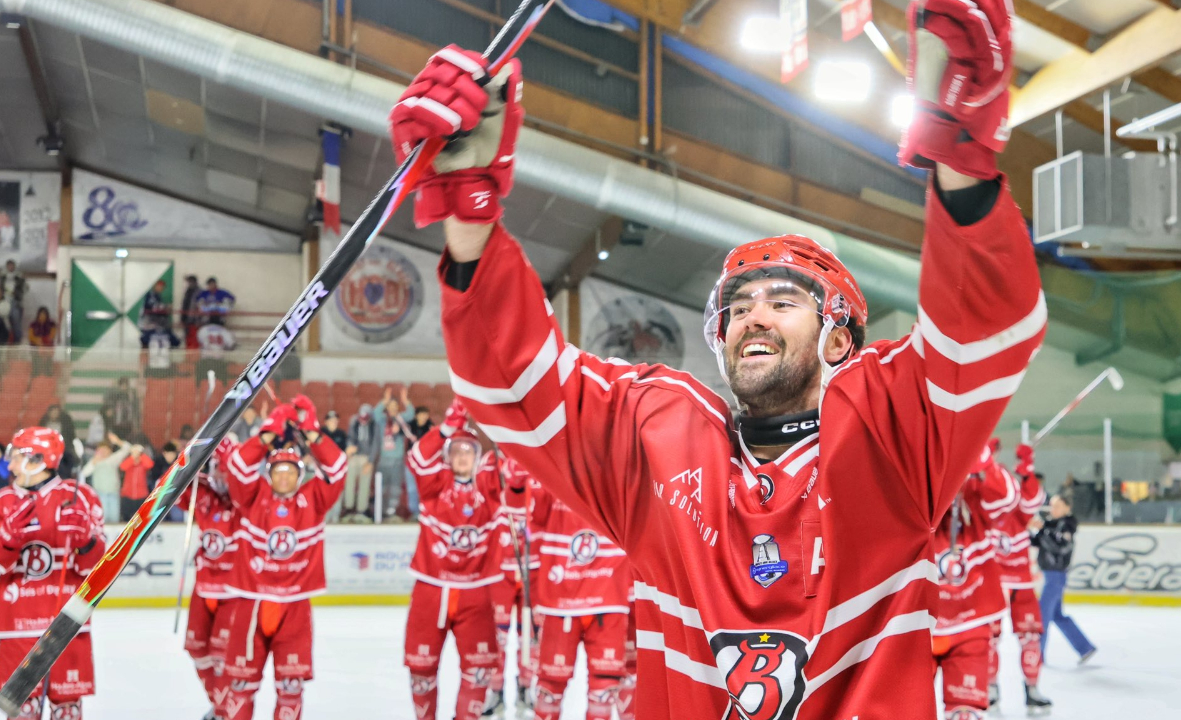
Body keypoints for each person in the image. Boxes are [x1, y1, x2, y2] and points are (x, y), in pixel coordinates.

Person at [394, 0, 1041, 714]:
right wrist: (468, 207)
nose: (753, 315)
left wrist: (961, 153)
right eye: (739, 306)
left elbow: (981, 329)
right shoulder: (659, 442)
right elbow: (516, 381)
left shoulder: (888, 438)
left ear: (838, 338)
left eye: (783, 301)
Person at [220, 395, 345, 720]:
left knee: (291, 689)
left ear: (300, 475)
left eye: (291, 471)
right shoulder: (253, 495)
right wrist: (266, 435)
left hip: (295, 606)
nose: (284, 477)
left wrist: (313, 434)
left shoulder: (314, 499)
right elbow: (238, 466)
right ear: (269, 473)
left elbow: (337, 468)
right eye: (278, 471)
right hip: (252, 602)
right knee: (240, 686)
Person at [0, 427, 106, 720]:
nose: (9, 464)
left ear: (37, 458)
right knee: (22, 712)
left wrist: (85, 541)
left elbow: (97, 568)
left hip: (67, 624)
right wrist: (8, 541)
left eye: (16, 456)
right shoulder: (2, 500)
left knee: (68, 711)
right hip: (17, 626)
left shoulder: (81, 497)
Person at [403, 399, 502, 720]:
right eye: (456, 450)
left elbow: (515, 471)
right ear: (448, 456)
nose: (462, 456)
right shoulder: (435, 485)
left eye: (468, 451)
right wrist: (445, 429)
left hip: (477, 592)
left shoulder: (488, 486)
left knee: (479, 671)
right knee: (421, 671)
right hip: (431, 589)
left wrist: (506, 422)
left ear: (477, 457)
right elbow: (417, 459)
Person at [529, 479, 631, 720]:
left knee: (604, 687)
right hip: (561, 600)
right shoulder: (553, 472)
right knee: (550, 686)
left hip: (608, 599)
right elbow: (532, 518)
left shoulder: (620, 475)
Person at [931, 445, 1011, 720]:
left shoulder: (973, 494)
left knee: (965, 714)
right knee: (901, 708)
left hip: (971, 622)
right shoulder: (909, 492)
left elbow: (1006, 498)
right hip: (915, 625)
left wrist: (982, 458)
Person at [177, 438, 240, 720]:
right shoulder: (202, 494)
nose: (220, 476)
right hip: (204, 589)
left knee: (226, 659)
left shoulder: (249, 498)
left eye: (227, 469)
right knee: (198, 652)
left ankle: (226, 711)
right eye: (217, 468)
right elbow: (169, 489)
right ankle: (221, 707)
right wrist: (193, 456)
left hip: (235, 593)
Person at [987, 443, 1051, 713]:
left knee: (1030, 638)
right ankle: (990, 689)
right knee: (987, 639)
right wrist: (987, 461)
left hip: (1021, 583)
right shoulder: (983, 509)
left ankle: (1032, 689)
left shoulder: (1019, 511)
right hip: (993, 582)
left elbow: (1033, 499)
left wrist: (1027, 472)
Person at [488, 455, 540, 717]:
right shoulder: (492, 464)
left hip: (533, 570)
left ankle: (525, 687)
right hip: (501, 571)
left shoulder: (540, 462)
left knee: (529, 636)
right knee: (496, 636)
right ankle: (494, 690)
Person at [1032, 494, 1096, 665]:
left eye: (1058, 506)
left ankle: (1038, 655)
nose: (1054, 509)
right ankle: (1085, 647)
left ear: (1068, 508)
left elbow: (1058, 547)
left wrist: (1043, 528)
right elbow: (1036, 541)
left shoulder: (1067, 525)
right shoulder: (1050, 525)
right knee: (1056, 615)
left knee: (1042, 614)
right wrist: (1033, 528)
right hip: (1051, 574)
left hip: (1056, 575)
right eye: (1052, 506)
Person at [375, 387, 416, 521]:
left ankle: (391, 513)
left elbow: (411, 413)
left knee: (395, 488)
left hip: (397, 460)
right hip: (384, 460)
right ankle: (380, 512)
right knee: (382, 488)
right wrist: (384, 400)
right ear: (387, 407)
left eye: (395, 406)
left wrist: (405, 400)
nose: (393, 408)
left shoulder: (401, 418)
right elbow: (375, 413)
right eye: (390, 406)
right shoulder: (382, 420)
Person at [344, 403, 380, 523]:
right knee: (349, 482)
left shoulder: (374, 425)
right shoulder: (354, 422)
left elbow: (375, 444)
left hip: (366, 457)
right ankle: (349, 508)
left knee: (365, 483)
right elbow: (349, 437)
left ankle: (361, 510)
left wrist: (370, 462)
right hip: (354, 456)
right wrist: (349, 448)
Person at [81, 433, 128, 523]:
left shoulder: (113, 459)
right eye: (101, 449)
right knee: (102, 521)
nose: (103, 451)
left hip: (113, 494)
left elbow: (127, 448)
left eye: (106, 449)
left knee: (114, 521)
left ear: (110, 450)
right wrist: (94, 461)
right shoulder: (94, 461)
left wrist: (117, 441)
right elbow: (84, 473)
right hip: (100, 495)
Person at [118, 442, 155, 522]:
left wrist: (141, 455)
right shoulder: (129, 462)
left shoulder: (143, 463)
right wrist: (132, 458)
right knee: (126, 518)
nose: (136, 454)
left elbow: (150, 464)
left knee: (141, 519)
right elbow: (122, 467)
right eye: (134, 452)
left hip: (141, 495)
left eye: (137, 452)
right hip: (127, 495)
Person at [0, 259, 26, 342]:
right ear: (6, 266)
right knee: (2, 321)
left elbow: (25, 288)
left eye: (12, 265)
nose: (11, 267)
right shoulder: (1, 275)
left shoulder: (19, 276)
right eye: (9, 265)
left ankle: (17, 340)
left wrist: (18, 293)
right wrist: (0, 294)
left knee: (16, 322)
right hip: (3, 301)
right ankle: (2, 339)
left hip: (15, 302)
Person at [139, 279, 171, 348]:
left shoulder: (158, 296)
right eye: (160, 286)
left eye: (162, 287)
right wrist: (165, 307)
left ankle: (149, 357)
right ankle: (144, 358)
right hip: (147, 322)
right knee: (146, 341)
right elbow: (152, 306)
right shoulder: (150, 295)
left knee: (152, 343)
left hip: (154, 323)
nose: (161, 288)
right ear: (155, 286)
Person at [182, 274, 201, 349]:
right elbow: (185, 304)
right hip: (187, 318)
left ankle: (194, 356)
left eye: (190, 281)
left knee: (195, 337)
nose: (189, 283)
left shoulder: (199, 291)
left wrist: (197, 318)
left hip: (194, 319)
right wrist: (182, 317)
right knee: (187, 337)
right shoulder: (188, 291)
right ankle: (188, 355)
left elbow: (198, 306)